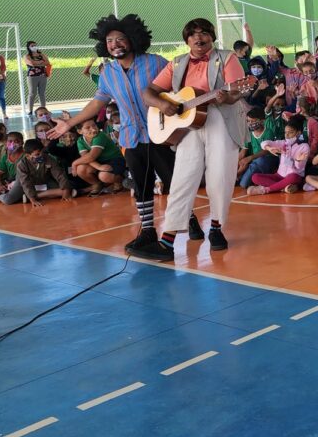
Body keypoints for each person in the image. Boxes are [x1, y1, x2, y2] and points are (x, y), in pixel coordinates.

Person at [48, 14, 206, 258]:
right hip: (131, 137)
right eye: (110, 40)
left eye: (120, 39)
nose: (115, 44)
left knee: (174, 183)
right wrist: (69, 123)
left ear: (133, 39)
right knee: (141, 186)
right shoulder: (108, 74)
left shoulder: (156, 62)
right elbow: (96, 104)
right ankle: (147, 231)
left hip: (161, 134)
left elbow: (180, 88)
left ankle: (189, 219)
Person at [142, 18, 248, 259]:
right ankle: (168, 240)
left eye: (203, 33)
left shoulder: (227, 57)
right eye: (193, 35)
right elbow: (148, 92)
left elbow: (236, 93)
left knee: (219, 176)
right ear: (186, 39)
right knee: (181, 178)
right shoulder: (177, 62)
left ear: (212, 37)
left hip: (220, 119)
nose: (198, 38)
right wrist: (162, 105)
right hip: (187, 124)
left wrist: (227, 97)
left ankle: (216, 228)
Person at [247, 116, 310, 195]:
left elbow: (299, 168)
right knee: (255, 177)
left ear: (298, 133)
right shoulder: (283, 143)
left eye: (290, 132)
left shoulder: (304, 146)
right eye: (285, 132)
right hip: (279, 176)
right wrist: (269, 148)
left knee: (293, 177)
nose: (287, 135)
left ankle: (266, 189)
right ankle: (283, 187)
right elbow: (264, 143)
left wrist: (297, 160)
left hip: (294, 176)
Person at [1, 138, 75, 206]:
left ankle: (30, 196)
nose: (41, 156)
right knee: (7, 200)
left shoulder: (49, 159)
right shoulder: (22, 164)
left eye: (42, 152)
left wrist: (65, 192)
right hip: (23, 183)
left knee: (67, 190)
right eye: (37, 154)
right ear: (28, 156)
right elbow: (25, 182)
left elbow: (60, 175)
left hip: (44, 181)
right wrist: (32, 200)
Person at [71, 119, 127, 195]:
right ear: (80, 131)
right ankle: (97, 184)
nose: (93, 129)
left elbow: (91, 156)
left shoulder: (100, 136)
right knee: (80, 169)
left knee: (104, 176)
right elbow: (85, 157)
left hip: (115, 160)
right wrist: (99, 166)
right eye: (88, 128)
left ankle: (120, 181)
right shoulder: (80, 141)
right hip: (99, 161)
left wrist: (74, 163)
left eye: (94, 125)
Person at [23, 40, 51, 117]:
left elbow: (47, 63)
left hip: (43, 75)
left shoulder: (42, 54)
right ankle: (30, 110)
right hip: (32, 76)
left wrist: (37, 63)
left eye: (35, 45)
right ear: (28, 47)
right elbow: (31, 64)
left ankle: (43, 108)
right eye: (32, 46)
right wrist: (41, 62)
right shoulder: (27, 56)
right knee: (32, 93)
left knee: (42, 93)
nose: (34, 47)